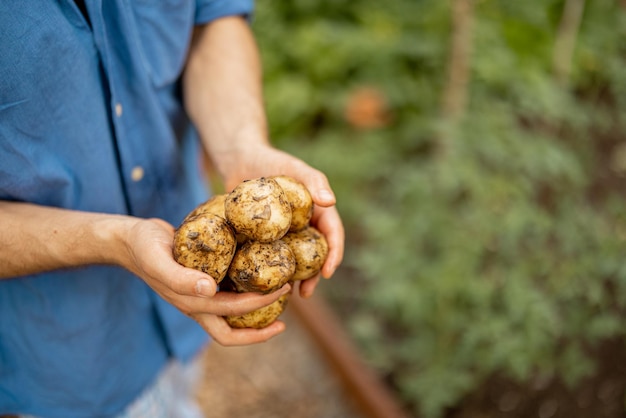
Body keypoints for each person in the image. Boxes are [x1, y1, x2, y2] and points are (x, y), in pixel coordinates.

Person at [0, 1, 345, 417]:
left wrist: (242, 146)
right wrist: (115, 240)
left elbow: (210, 18)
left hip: (190, 302)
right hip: (62, 359)